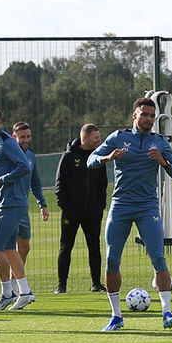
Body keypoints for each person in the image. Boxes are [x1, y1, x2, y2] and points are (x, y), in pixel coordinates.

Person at [89, 97, 172, 331]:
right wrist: (108, 158)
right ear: (135, 116)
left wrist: (163, 162)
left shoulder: (160, 142)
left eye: (152, 116)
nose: (148, 120)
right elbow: (91, 160)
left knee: (158, 257)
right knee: (112, 258)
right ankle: (116, 316)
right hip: (120, 205)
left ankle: (167, 312)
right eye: (144, 115)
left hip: (148, 207)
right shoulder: (118, 137)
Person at [0, 107, 35, 311]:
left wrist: (1, 181)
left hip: (11, 203)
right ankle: (25, 291)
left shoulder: (6, 142)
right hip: (3, 201)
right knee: (10, 249)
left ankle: (6, 293)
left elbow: (23, 167)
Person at [55, 123, 107, 294]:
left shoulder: (99, 157)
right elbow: (60, 184)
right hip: (71, 212)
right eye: (96, 138)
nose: (99, 141)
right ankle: (61, 286)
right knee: (66, 247)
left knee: (94, 246)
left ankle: (96, 284)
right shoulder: (69, 157)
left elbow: (103, 184)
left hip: (93, 212)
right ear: (85, 138)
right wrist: (66, 207)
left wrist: (100, 206)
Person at [11, 121, 50, 280]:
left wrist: (42, 203)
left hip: (23, 209)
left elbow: (35, 182)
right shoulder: (8, 155)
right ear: (14, 137)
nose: (26, 140)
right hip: (7, 206)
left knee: (25, 247)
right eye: (22, 137)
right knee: (1, 247)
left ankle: (14, 282)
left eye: (28, 136)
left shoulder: (31, 155)